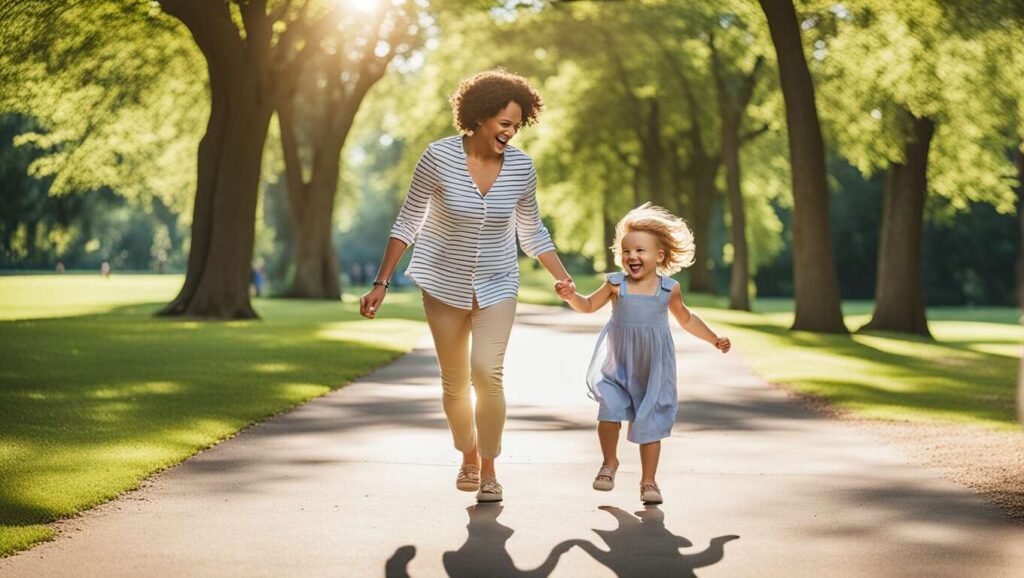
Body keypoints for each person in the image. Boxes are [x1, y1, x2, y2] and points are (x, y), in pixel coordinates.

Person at [360, 69, 575, 503]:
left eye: (516, 125)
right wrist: (381, 281)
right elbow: (409, 221)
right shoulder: (438, 157)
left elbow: (532, 232)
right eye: (504, 124)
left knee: (487, 374)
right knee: (455, 383)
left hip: (498, 283)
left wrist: (563, 279)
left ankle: (490, 470)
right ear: (478, 117)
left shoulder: (521, 168)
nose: (510, 134)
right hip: (442, 282)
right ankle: (468, 454)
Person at [557, 203, 731, 504]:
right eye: (627, 252)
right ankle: (609, 463)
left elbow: (687, 319)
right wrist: (571, 296)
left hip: (653, 370)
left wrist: (714, 339)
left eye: (640, 251)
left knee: (650, 423)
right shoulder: (615, 284)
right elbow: (587, 306)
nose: (632, 257)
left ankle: (649, 482)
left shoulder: (669, 289)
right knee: (609, 412)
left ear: (659, 256)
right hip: (617, 366)